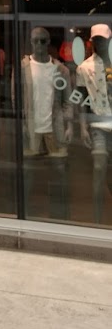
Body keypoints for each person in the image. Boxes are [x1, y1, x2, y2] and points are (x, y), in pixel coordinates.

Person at [21, 27, 73, 219]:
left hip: (54, 126)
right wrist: (20, 123)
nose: (39, 45)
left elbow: (68, 100)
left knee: (59, 171)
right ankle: (25, 213)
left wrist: (69, 125)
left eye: (43, 41)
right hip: (31, 126)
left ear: (49, 42)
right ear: (31, 42)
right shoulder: (23, 68)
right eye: (36, 41)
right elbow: (16, 99)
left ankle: (59, 214)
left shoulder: (60, 70)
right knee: (28, 172)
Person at [76, 23, 112, 223]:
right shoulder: (84, 68)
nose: (100, 43)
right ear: (92, 41)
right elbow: (81, 99)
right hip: (98, 124)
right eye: (97, 39)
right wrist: (83, 127)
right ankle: (97, 217)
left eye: (103, 39)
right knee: (99, 168)